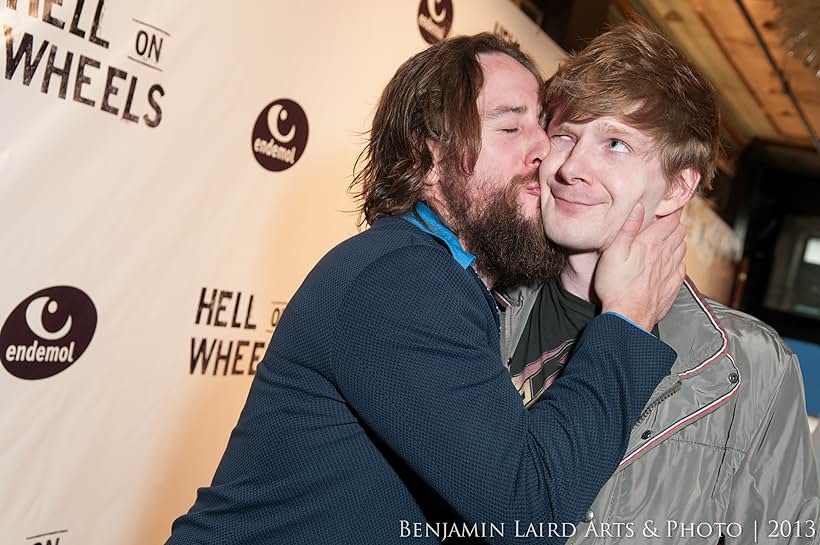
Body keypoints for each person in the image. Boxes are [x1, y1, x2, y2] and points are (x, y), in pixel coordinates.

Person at [166, 33, 687, 545]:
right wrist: (626, 321)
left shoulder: (450, 282)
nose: (545, 152)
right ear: (426, 160)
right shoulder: (402, 280)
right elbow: (529, 509)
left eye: (542, 125)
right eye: (510, 128)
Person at [500, 23, 820, 544]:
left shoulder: (749, 368)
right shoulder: (469, 299)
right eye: (565, 135)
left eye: (617, 144)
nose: (572, 167)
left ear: (677, 185)